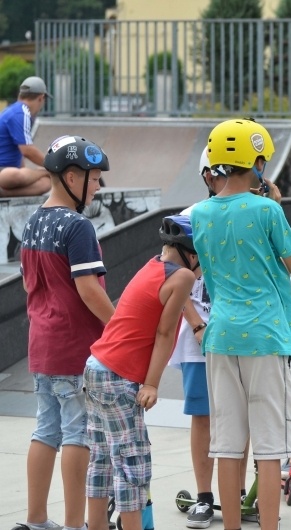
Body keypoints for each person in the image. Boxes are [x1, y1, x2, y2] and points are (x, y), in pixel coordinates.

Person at [191, 118, 291, 530]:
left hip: (220, 335)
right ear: (256, 162)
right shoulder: (268, 210)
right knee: (269, 447)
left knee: (227, 445)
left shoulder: (200, 214)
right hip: (267, 336)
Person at [18, 135, 115, 530]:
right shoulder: (77, 227)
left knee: (46, 430)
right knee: (80, 434)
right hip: (75, 347)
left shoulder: (34, 220)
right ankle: (76, 524)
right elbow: (89, 290)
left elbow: (29, 286)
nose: (97, 187)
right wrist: (120, 328)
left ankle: (36, 520)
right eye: (93, 179)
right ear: (71, 177)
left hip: (42, 345)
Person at [84, 214, 199, 530]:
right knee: (132, 465)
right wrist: (152, 383)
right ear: (192, 251)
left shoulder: (153, 266)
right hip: (120, 375)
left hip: (96, 367)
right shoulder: (183, 278)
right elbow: (164, 333)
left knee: (102, 459)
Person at [167, 151, 250, 529]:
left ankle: (236, 493)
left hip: (242, 335)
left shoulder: (253, 212)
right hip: (199, 336)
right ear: (207, 174)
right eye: (221, 173)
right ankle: (204, 497)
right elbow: (171, 277)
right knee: (204, 417)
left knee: (240, 419)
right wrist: (197, 324)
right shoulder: (192, 215)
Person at [0, 76, 52, 197]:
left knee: (47, 184)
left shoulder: (13, 110)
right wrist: (54, 167)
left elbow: (20, 153)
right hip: (4, 173)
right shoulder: (21, 112)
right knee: (11, 175)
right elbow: (27, 151)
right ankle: (44, 172)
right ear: (41, 98)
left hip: (9, 176)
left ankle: (4, 193)